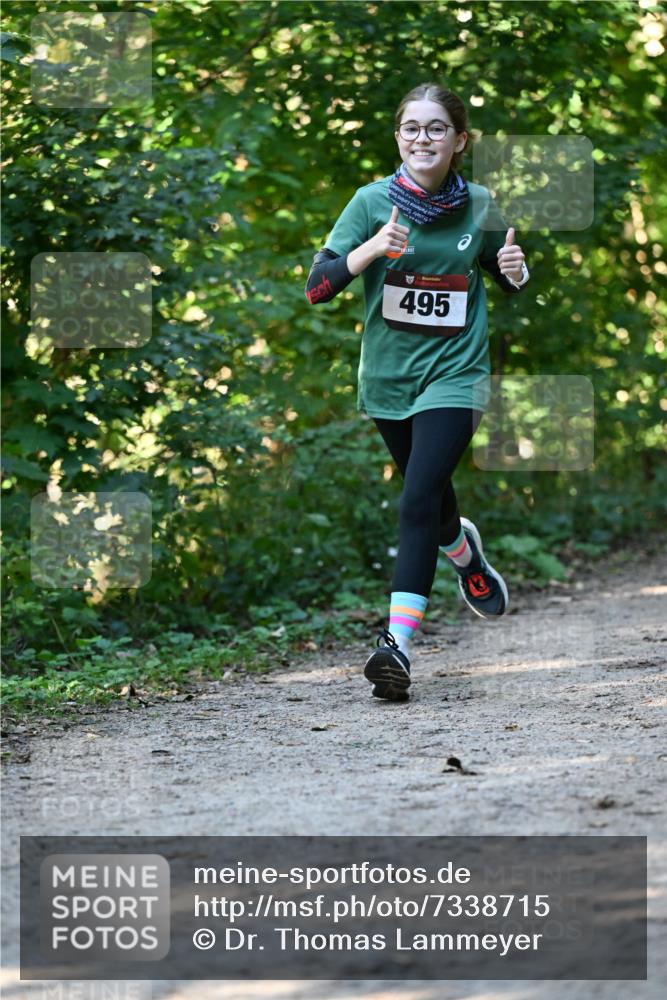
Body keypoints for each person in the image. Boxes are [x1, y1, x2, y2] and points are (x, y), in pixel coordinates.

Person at [304, 82, 529, 702]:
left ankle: (396, 646)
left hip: (457, 376)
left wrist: (516, 273)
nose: (421, 138)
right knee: (431, 499)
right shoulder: (370, 202)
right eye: (411, 128)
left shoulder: (479, 203)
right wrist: (371, 249)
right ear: (398, 137)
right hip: (388, 380)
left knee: (416, 497)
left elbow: (506, 269)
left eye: (436, 129)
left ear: (459, 141)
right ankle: (464, 553)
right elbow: (317, 287)